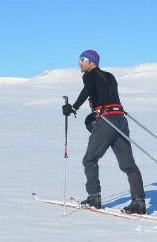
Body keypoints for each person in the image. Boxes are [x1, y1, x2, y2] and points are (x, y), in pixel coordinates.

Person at [61, 49, 147, 214]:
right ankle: (139, 202)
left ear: (92, 62)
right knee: (128, 164)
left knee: (89, 160)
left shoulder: (89, 75)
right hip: (120, 119)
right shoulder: (110, 76)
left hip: (106, 120)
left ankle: (94, 198)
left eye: (82, 59)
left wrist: (73, 107)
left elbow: (87, 91)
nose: (79, 63)